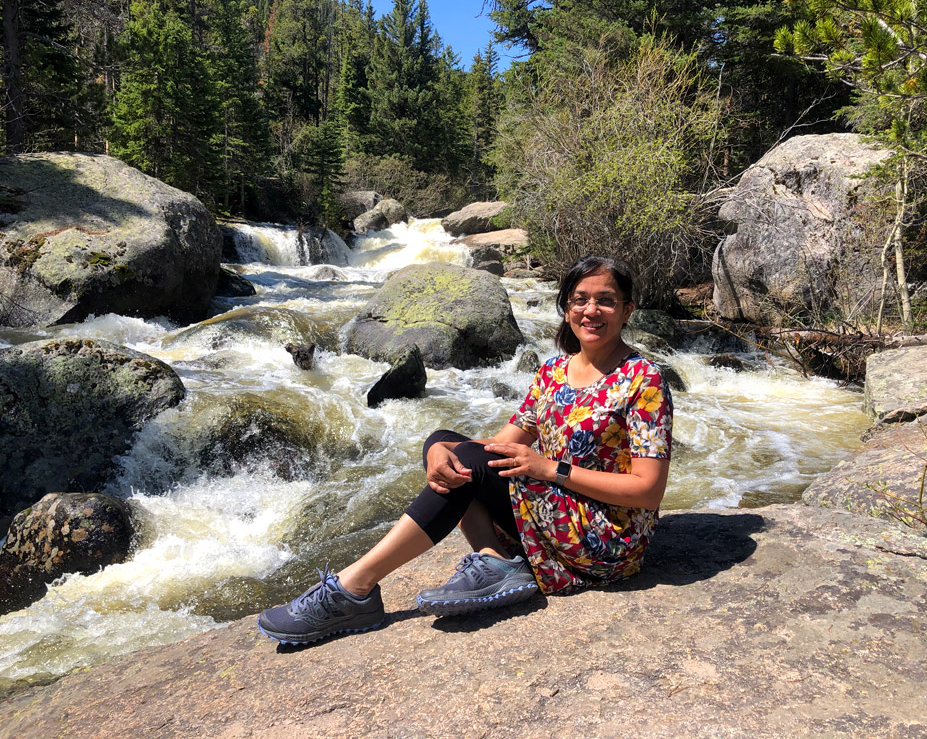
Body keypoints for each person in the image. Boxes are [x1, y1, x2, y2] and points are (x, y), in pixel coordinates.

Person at [257, 254, 674, 645]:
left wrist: (551, 469)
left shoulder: (644, 380)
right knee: (445, 446)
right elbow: (499, 445)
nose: (591, 311)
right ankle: (495, 559)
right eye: (580, 300)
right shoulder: (553, 371)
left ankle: (355, 588)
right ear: (566, 307)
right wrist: (439, 446)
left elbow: (648, 490)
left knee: (467, 460)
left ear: (627, 309)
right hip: (557, 508)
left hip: (605, 537)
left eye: (605, 301)